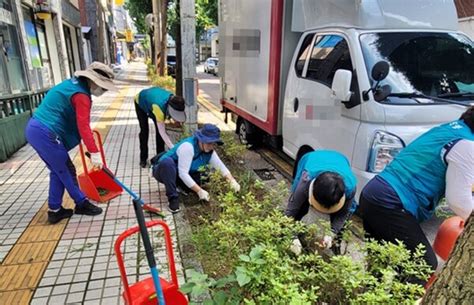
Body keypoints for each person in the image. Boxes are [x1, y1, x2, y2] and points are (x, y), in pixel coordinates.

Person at [359, 106, 474, 283]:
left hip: (375, 193)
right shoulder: (466, 144)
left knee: (382, 267)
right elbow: (458, 200)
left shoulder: (451, 129)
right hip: (391, 202)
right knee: (423, 264)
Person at [25, 62, 117, 224]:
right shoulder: (81, 95)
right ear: (93, 81)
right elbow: (83, 126)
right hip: (45, 133)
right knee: (66, 169)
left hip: (36, 129)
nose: (103, 90)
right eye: (103, 87)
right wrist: (94, 152)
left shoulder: (72, 84)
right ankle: (81, 203)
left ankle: (55, 210)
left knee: (57, 170)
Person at [151, 124, 241, 213]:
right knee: (168, 163)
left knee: (204, 176)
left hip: (179, 172)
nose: (211, 146)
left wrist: (232, 181)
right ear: (201, 140)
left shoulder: (209, 152)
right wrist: (199, 191)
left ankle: (181, 187)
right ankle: (173, 198)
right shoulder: (188, 147)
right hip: (163, 170)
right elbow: (183, 173)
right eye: (209, 143)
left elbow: (221, 167)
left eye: (213, 143)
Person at [285, 150, 357, 252]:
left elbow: (343, 214)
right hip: (311, 158)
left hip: (340, 159)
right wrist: (291, 237)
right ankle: (296, 233)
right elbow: (290, 212)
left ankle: (335, 247)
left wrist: (332, 233)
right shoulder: (306, 180)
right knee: (300, 209)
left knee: (342, 224)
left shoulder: (350, 187)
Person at [135, 86, 186, 168]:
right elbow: (162, 132)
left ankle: (159, 158)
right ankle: (143, 159)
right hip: (141, 102)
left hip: (153, 99)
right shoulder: (158, 107)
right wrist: (173, 148)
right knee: (145, 131)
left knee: (159, 136)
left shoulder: (174, 100)